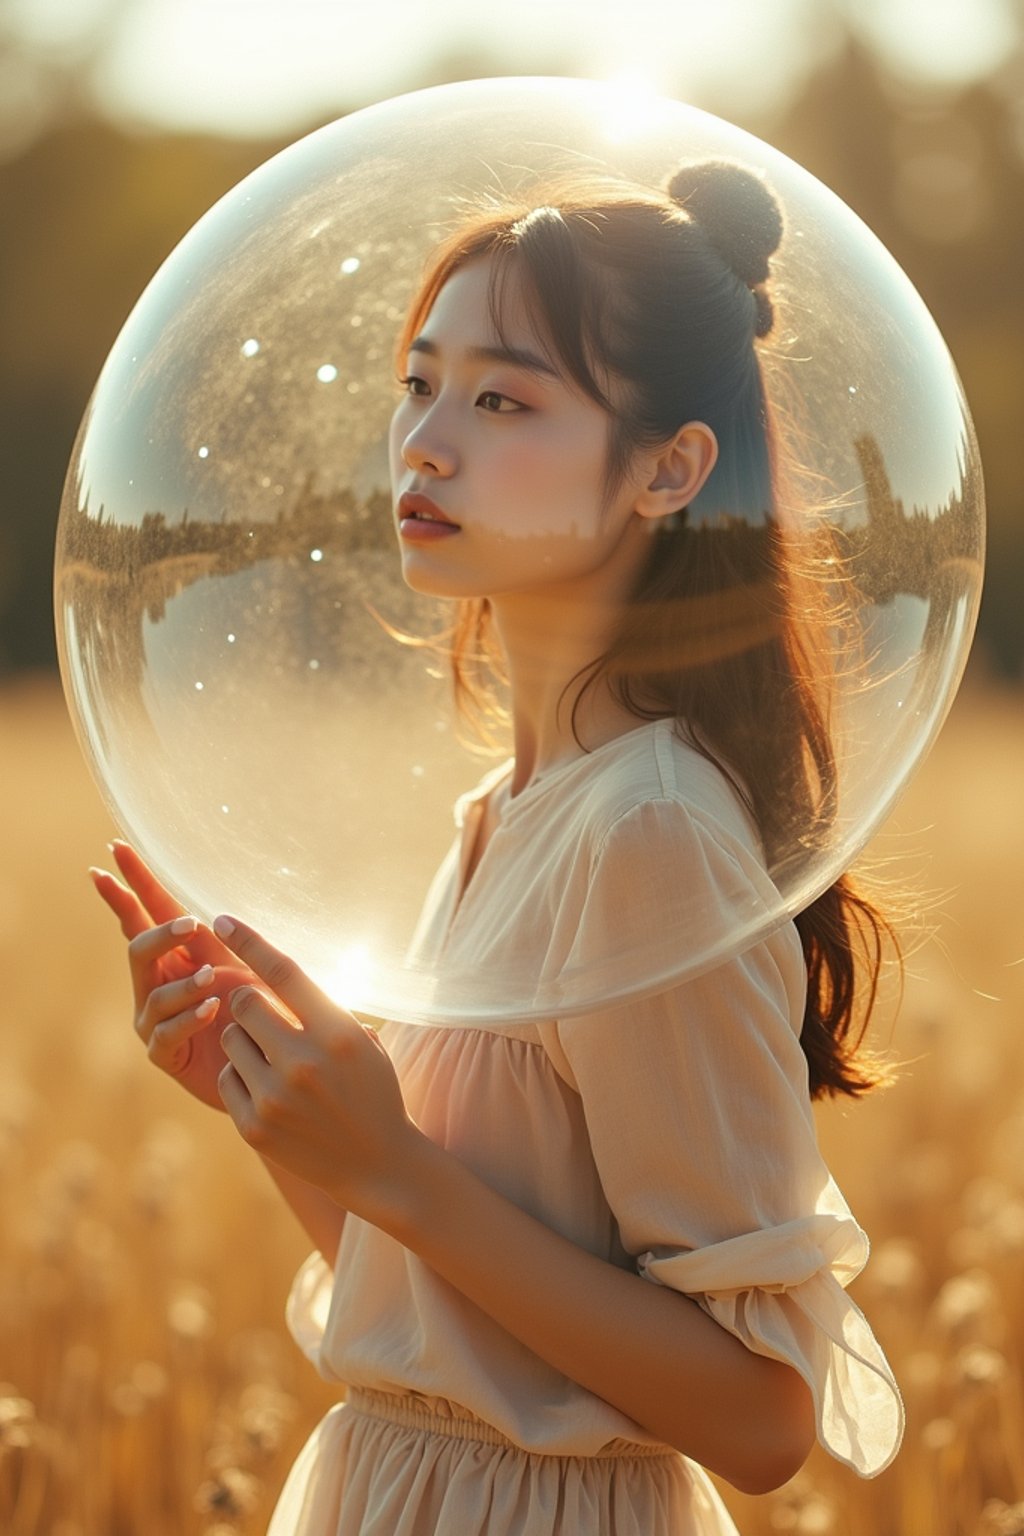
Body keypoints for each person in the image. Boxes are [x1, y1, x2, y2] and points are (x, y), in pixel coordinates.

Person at [91, 160, 905, 1535]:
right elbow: (459, 1322)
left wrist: (397, 1166)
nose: (424, 441)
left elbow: (762, 1421)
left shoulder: (647, 833)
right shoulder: (505, 814)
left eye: (503, 399)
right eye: (419, 384)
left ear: (669, 470)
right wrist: (285, 1122)